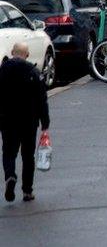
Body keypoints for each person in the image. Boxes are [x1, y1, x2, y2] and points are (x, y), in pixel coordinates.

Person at [0, 43, 50, 203]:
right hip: (29, 121)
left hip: (7, 120)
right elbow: (42, 99)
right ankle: (27, 191)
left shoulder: (3, 70)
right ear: (27, 55)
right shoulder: (33, 72)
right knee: (28, 156)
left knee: (9, 153)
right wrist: (45, 122)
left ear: (12, 52)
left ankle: (10, 176)